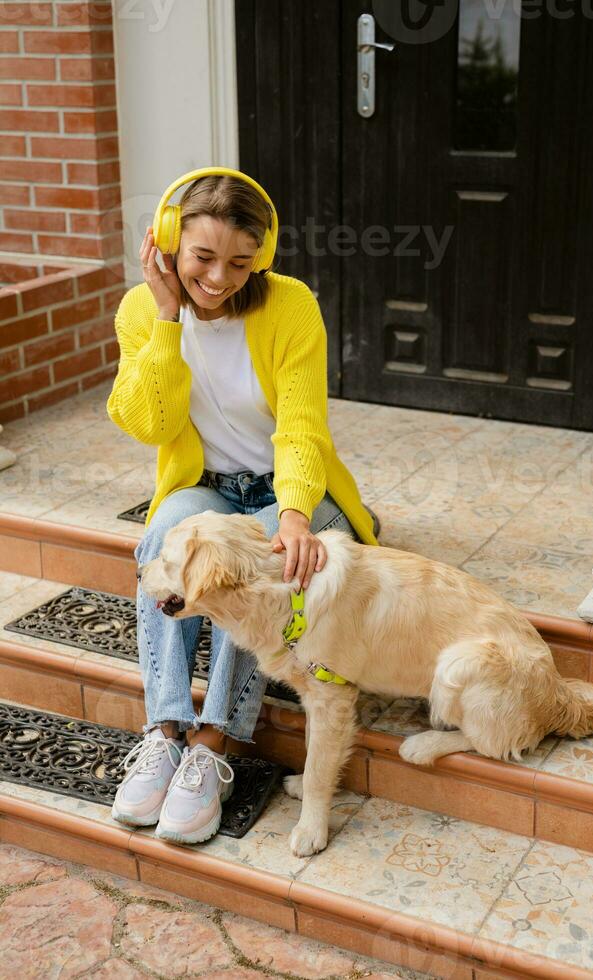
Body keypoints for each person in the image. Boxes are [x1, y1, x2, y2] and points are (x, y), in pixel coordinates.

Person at [106, 167, 378, 845]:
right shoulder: (142, 311)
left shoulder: (289, 306)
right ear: (168, 241)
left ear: (263, 257)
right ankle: (165, 731)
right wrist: (168, 319)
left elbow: (303, 425)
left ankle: (212, 747)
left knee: (249, 565)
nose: (220, 278)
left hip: (287, 489)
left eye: (239, 262)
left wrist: (292, 514)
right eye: (202, 258)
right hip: (207, 486)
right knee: (162, 537)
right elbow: (146, 421)